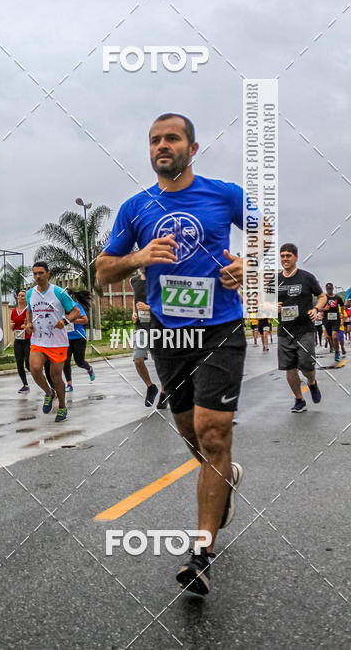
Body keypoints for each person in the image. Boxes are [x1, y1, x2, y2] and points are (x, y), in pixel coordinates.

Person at [97, 112, 265, 596]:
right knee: (192, 434)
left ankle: (201, 551)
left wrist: (246, 266)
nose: (161, 146)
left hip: (220, 327)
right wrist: (138, 257)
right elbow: (103, 271)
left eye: (171, 139)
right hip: (170, 337)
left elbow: (263, 235)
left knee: (214, 432)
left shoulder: (224, 194)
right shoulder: (136, 207)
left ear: (193, 148)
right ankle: (225, 476)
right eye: (154, 140)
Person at [25, 261, 80, 423]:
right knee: (34, 368)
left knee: (55, 376)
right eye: (35, 273)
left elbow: (75, 311)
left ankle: (62, 406)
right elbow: (29, 310)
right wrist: (28, 323)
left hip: (58, 342)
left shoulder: (59, 292)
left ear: (48, 274)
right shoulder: (30, 293)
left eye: (41, 273)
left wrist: (66, 320)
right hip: (39, 341)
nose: (37, 276)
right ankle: (49, 393)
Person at [277, 244, 327, 411]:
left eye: (288, 255)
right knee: (289, 368)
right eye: (282, 255)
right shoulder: (274, 280)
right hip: (284, 331)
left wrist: (316, 309)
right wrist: (270, 306)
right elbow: (263, 302)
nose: (285, 258)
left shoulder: (307, 277)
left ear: (296, 257)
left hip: (304, 330)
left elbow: (322, 296)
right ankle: (299, 400)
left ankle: (312, 382)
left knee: (307, 366)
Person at [130, 268, 167, 408]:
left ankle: (164, 393)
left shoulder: (160, 280)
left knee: (160, 362)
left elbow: (166, 303)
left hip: (158, 326)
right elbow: (135, 298)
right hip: (141, 326)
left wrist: (148, 307)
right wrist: (134, 312)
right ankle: (151, 387)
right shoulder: (134, 280)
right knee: (138, 360)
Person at [64, 289, 95, 390]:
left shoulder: (76, 306)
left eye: (67, 295)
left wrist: (70, 319)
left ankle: (89, 368)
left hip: (78, 337)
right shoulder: (60, 307)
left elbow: (85, 320)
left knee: (79, 362)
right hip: (65, 339)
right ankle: (69, 384)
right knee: (65, 362)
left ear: (71, 296)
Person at [11, 290, 31, 393]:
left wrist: (26, 325)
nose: (20, 297)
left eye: (23, 296)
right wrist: (12, 326)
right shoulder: (14, 311)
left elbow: (32, 325)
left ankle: (38, 376)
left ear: (26, 298)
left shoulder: (29, 310)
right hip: (18, 339)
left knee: (28, 363)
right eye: (19, 295)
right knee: (19, 363)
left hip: (28, 339)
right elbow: (12, 323)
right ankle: (25, 385)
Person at [322, 283, 345, 362]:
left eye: (330, 288)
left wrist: (341, 313)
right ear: (326, 289)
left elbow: (342, 305)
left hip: (335, 320)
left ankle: (337, 352)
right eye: (328, 289)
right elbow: (320, 308)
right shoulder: (323, 298)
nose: (329, 290)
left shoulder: (337, 297)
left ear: (332, 288)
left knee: (335, 337)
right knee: (330, 337)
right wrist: (324, 309)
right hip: (326, 320)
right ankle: (334, 348)